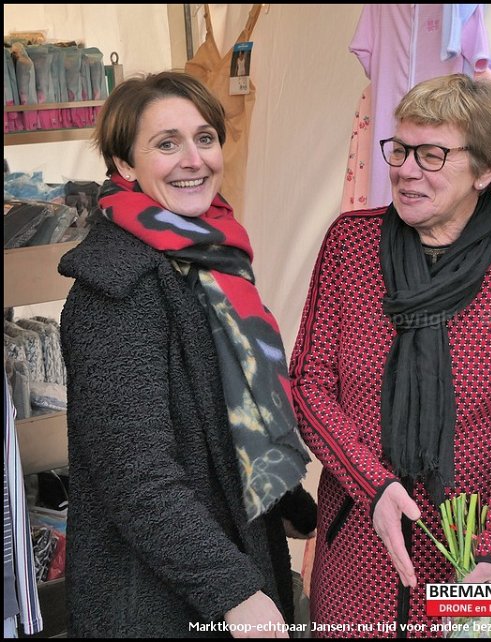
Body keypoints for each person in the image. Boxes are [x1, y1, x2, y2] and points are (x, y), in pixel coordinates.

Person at [290, 73, 491, 633]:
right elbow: (307, 384)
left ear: (484, 171)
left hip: (473, 549)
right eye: (401, 149)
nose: (406, 170)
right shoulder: (350, 242)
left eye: (432, 154)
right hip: (360, 537)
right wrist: (373, 486)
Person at [58, 71, 317, 638]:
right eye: (166, 144)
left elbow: (225, 410)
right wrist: (233, 590)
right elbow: (135, 474)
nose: (193, 160)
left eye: (205, 138)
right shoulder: (117, 287)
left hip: (228, 553)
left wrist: (284, 497)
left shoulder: (213, 258)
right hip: (156, 596)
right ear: (125, 164)